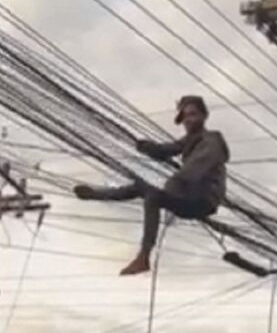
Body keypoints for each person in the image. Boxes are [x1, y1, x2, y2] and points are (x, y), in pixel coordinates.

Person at [72, 95, 229, 276]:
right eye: (185, 117)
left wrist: (173, 188)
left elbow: (195, 168)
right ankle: (97, 195)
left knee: (153, 197)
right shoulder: (187, 141)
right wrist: (145, 146)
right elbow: (164, 151)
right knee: (141, 188)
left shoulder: (212, 139)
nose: (188, 120)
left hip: (202, 200)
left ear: (204, 115)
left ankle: (144, 257)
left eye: (192, 115)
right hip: (187, 199)